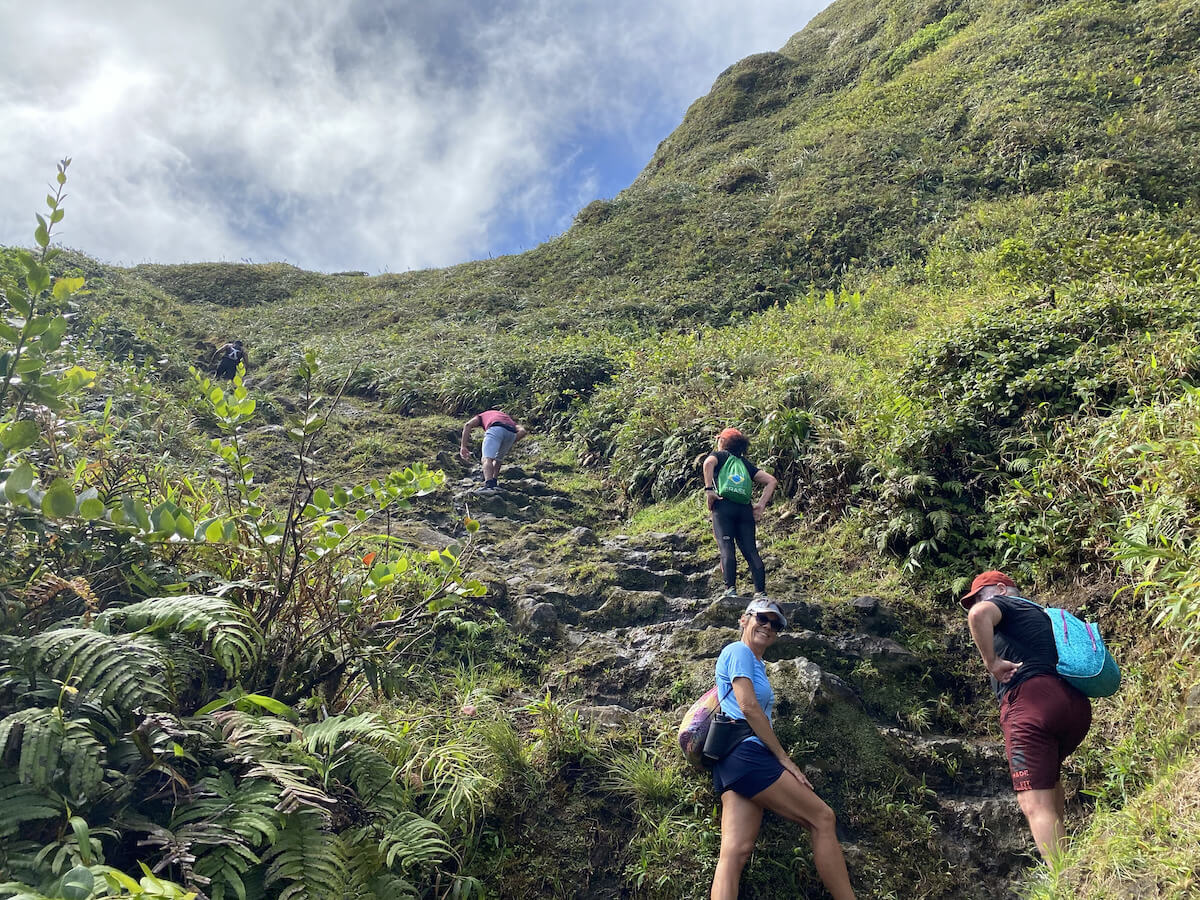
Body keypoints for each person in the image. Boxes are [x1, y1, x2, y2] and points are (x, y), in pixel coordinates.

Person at [710, 598, 856, 900]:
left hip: (730, 761)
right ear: (744, 619)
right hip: (747, 754)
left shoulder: (754, 663)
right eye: (762, 618)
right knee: (823, 818)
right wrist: (783, 758)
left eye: (776, 624)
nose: (768, 626)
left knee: (735, 852)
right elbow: (749, 707)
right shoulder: (738, 651)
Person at [960, 570, 1092, 862]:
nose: (976, 604)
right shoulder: (1045, 616)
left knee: (1033, 802)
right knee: (1049, 781)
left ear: (1001, 589)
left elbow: (978, 615)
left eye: (979, 596)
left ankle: (1063, 879)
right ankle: (1064, 856)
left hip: (1031, 704)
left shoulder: (1004, 604)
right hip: (1074, 705)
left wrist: (992, 662)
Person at [702, 427, 778, 599]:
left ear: (722, 441)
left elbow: (707, 463)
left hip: (723, 506)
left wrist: (709, 490)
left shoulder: (719, 456)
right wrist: (760, 505)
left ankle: (730, 590)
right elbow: (771, 481)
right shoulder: (745, 464)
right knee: (751, 550)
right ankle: (760, 592)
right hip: (745, 510)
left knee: (726, 546)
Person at [459, 410, 528, 489]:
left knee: (487, 458)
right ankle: (494, 482)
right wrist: (510, 441)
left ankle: (488, 484)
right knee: (498, 459)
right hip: (511, 433)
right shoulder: (508, 419)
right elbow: (523, 431)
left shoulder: (481, 416)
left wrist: (463, 446)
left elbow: (468, 425)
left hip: (495, 429)